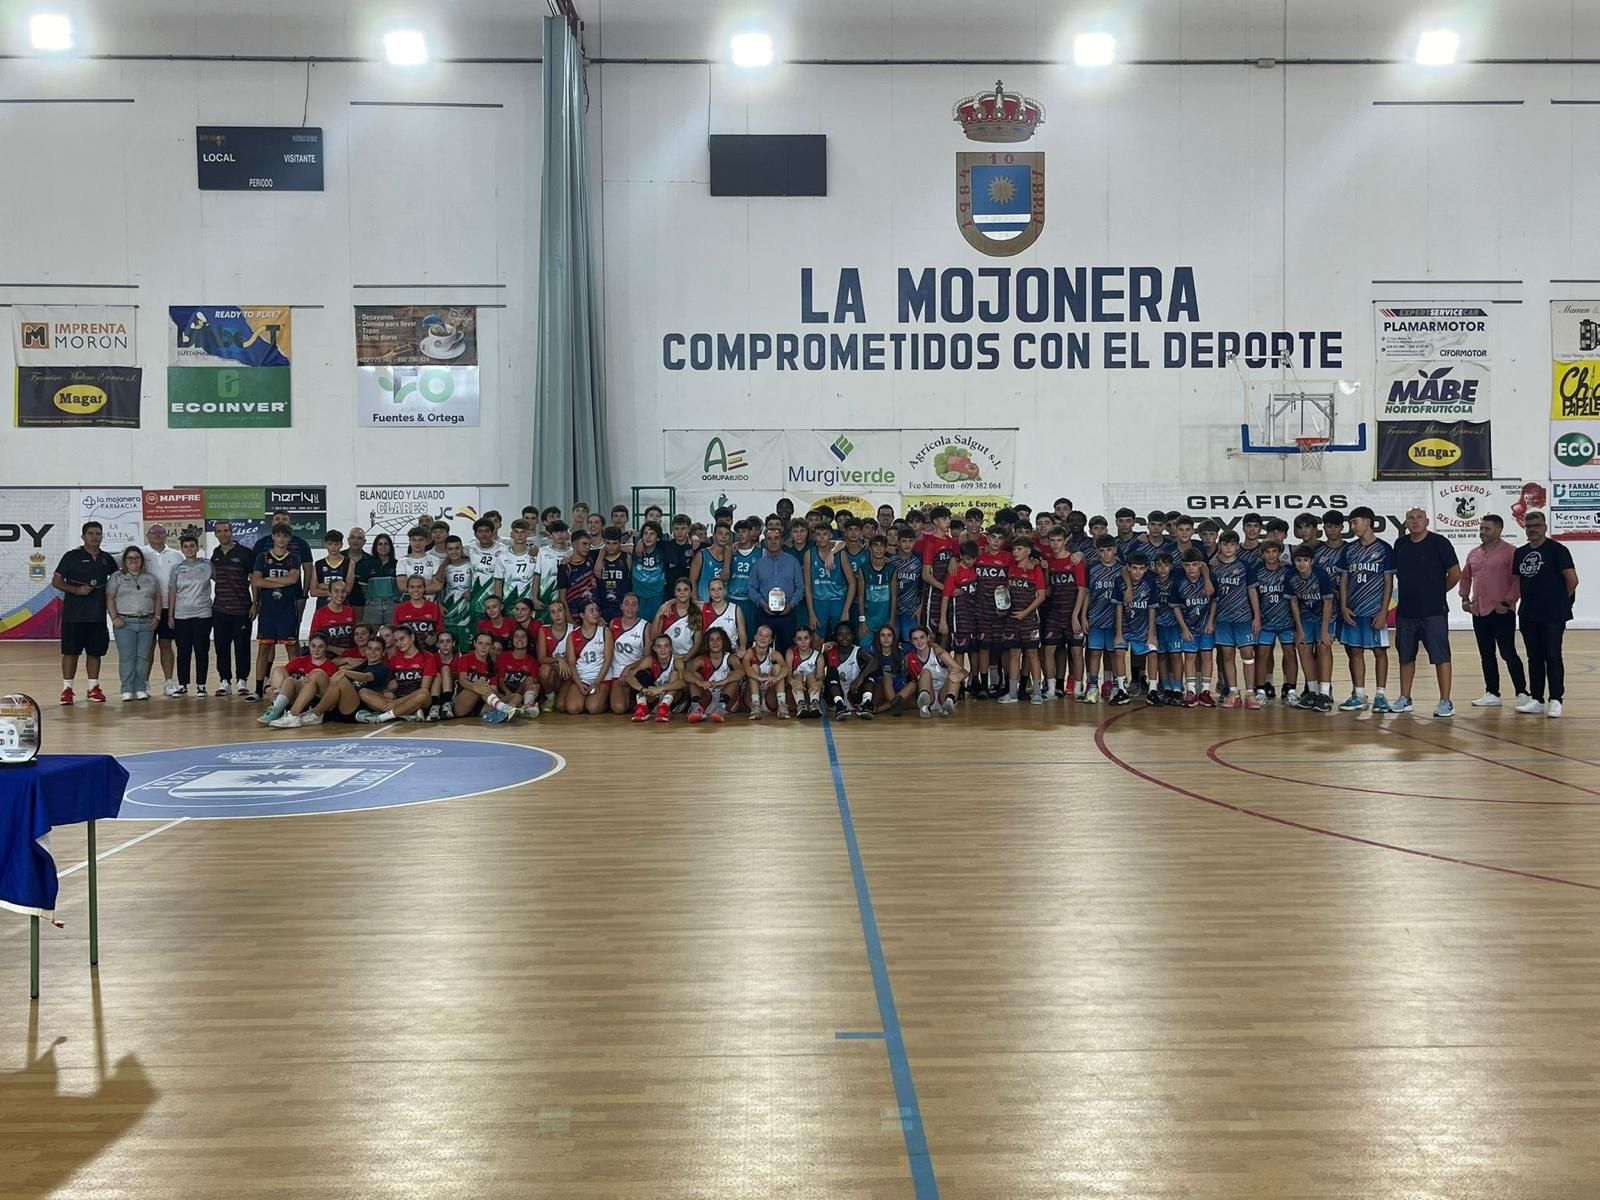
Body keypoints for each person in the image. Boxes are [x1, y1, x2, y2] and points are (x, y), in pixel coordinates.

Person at [1390, 507, 1461, 717]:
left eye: (1419, 517)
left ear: (1427, 521)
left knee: (1441, 657)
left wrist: (1437, 592)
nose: (1415, 521)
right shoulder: (1400, 544)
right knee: (1405, 657)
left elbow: (1456, 574)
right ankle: (1405, 698)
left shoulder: (1439, 543)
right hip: (1406, 612)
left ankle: (1446, 701)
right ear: (1406, 523)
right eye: (1410, 518)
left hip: (1434, 612)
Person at [1458, 513, 1530, 709]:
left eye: (1487, 529)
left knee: (1508, 653)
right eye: (1481, 528)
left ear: (1499, 530)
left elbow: (1517, 581)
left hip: (1501, 612)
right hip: (1479, 612)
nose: (1482, 532)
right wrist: (1465, 598)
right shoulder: (1474, 553)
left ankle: (1522, 692)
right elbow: (1465, 577)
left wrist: (1506, 603)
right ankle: (1492, 692)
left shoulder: (1511, 553)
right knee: (1486, 654)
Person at [1512, 511, 1578, 718]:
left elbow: (1572, 580)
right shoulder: (1520, 553)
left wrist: (1559, 600)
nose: (1532, 529)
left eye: (1537, 525)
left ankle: (1556, 699)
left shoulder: (1558, 550)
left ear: (1545, 527)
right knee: (1534, 657)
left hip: (1553, 614)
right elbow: (1518, 583)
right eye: (1529, 526)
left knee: (1552, 655)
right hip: (1529, 613)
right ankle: (1537, 699)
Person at [1337, 506, 1395, 713]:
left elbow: (1388, 582)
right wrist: (1343, 606)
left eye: (1355, 522)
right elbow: (1344, 579)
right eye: (1351, 523)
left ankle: (1381, 695)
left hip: (1374, 611)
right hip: (1353, 611)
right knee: (1355, 652)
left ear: (1368, 522)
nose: (1352, 527)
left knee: (1380, 652)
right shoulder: (1349, 549)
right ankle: (1359, 694)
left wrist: (1383, 611)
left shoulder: (1384, 549)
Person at [53, 520, 116, 704]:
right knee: (71, 653)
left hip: (97, 616)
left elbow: (117, 580)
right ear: (83, 536)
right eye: (91, 533)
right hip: (74, 616)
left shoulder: (107, 559)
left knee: (95, 653)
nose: (95, 537)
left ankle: (93, 688)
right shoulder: (71, 557)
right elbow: (56, 582)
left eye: (98, 534)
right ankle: (67, 690)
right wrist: (76, 590)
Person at [250, 523, 306, 702]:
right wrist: (282, 581)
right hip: (268, 610)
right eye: (278, 535)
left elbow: (294, 579)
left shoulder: (294, 558)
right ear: (273, 537)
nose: (281, 539)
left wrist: (268, 579)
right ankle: (259, 689)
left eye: (285, 536)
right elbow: (256, 582)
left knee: (292, 649)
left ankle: (296, 686)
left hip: (287, 610)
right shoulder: (262, 557)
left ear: (289, 538)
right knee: (264, 649)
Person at [1210, 530, 1260, 709]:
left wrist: (1257, 617)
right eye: (1225, 544)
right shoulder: (1214, 567)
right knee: (1227, 655)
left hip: (1243, 618)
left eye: (1232, 544)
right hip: (1223, 619)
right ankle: (1232, 691)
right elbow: (1213, 597)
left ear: (1237, 546)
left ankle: (1250, 693)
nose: (1228, 547)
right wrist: (1211, 620)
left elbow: (1252, 591)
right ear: (1220, 546)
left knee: (1248, 654)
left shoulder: (1245, 566)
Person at [105, 546, 161, 702]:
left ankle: (141, 687)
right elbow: (110, 598)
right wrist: (114, 617)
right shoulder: (117, 577)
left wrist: (157, 617)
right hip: (125, 623)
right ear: (124, 561)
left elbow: (157, 598)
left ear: (142, 561)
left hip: (146, 622)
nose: (133, 561)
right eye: (130, 558)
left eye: (137, 557)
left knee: (143, 657)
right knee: (127, 657)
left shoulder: (150, 578)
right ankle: (127, 688)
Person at [355, 624, 438, 724]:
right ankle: (405, 714)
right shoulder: (395, 659)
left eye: (402, 639)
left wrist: (398, 702)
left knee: (424, 693)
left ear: (412, 637)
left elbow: (424, 688)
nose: (399, 643)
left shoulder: (427, 657)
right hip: (396, 700)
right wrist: (387, 691)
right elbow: (387, 684)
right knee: (363, 692)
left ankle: (382, 717)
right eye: (396, 640)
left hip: (416, 700)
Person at [209, 519, 254, 698]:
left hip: (242, 609)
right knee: (221, 647)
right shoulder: (216, 554)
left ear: (232, 531)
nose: (223, 534)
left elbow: (255, 581)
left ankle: (242, 681)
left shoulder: (245, 553)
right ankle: (224, 681)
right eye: (219, 531)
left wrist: (255, 604)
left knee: (242, 647)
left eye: (226, 530)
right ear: (215, 534)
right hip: (220, 610)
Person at [1288, 544, 1336, 711]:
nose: (1301, 564)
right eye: (1298, 560)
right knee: (1303, 648)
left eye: (1305, 560)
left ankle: (1324, 694)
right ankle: (1312, 692)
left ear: (1312, 561)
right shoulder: (1291, 576)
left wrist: (1324, 630)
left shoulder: (1321, 576)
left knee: (1323, 648)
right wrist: (1299, 629)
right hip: (1306, 617)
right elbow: (1293, 602)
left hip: (1325, 616)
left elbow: (1328, 602)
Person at [168, 533, 214, 696]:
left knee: (202, 650)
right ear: (181, 549)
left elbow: (221, 581)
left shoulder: (208, 565)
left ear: (197, 547)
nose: (189, 549)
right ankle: (183, 684)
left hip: (203, 613)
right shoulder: (177, 568)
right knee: (183, 651)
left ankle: (201, 685)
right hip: (181, 615)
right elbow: (172, 591)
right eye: (185, 547)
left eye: (192, 546)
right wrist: (171, 615)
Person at [1252, 541, 1297, 707]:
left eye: (1274, 551)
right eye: (1267, 552)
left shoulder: (1288, 571)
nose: (1271, 555)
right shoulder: (1256, 572)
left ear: (1280, 553)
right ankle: (1261, 689)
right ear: (1262, 554)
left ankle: (1291, 689)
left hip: (1286, 621)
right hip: (1266, 622)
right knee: (1262, 655)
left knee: (1290, 654)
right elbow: (1253, 596)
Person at [142, 524, 185, 696]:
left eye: (161, 532)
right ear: (148, 535)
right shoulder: (141, 553)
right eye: (154, 532)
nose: (158, 535)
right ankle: (144, 684)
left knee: (166, 644)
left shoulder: (176, 555)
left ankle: (168, 683)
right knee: (148, 647)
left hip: (169, 608)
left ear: (166, 535)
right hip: (147, 609)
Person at [260, 634, 340, 726]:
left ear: (326, 648)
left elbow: (331, 692)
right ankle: (277, 708)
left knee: (306, 678)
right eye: (313, 646)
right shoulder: (300, 661)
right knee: (280, 671)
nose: (316, 650)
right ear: (309, 646)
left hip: (314, 700)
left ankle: (281, 710)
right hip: (293, 697)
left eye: (320, 647)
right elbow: (277, 676)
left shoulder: (331, 666)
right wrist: (267, 689)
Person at [747, 524, 804, 651]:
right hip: (765, 613)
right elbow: (751, 587)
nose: (773, 541)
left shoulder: (793, 562)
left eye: (776, 538)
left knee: (788, 649)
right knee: (762, 650)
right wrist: (762, 604)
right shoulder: (759, 564)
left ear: (782, 541)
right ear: (765, 541)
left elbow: (800, 587)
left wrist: (792, 604)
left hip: (788, 613)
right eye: (770, 538)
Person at [1082, 535, 1125, 705]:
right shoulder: (1092, 568)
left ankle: (1116, 685)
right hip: (1096, 618)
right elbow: (1086, 593)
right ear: (1097, 551)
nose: (1106, 554)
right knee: (1095, 653)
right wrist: (1084, 615)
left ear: (1114, 549)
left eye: (1109, 550)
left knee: (1115, 654)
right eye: (1102, 551)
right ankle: (1093, 686)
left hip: (1116, 620)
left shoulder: (1123, 569)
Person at [1174, 548, 1215, 707]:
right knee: (1189, 657)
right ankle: (1191, 691)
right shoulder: (1179, 582)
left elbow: (1214, 602)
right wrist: (1184, 628)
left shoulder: (1210, 579)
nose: (1191, 568)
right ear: (1183, 566)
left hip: (1205, 626)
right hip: (1189, 627)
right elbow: (1176, 606)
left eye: (1194, 564)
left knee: (1207, 656)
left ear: (1200, 564)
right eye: (1187, 565)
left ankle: (1205, 691)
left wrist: (1211, 621)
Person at [562, 599, 613, 715]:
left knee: (593, 708)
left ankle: (605, 701)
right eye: (591, 611)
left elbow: (608, 660)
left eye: (597, 610)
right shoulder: (573, 635)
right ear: (582, 615)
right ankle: (587, 699)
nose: (596, 613)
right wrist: (579, 684)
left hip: (601, 678)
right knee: (573, 709)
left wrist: (597, 682)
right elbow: (571, 663)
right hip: (582, 677)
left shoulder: (605, 632)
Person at [804, 520, 854, 638]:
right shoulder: (809, 555)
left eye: (825, 534)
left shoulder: (840, 554)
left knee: (841, 637)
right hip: (819, 601)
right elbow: (807, 585)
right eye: (818, 534)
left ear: (831, 535)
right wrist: (811, 613)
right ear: (814, 536)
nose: (821, 538)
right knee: (817, 638)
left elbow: (852, 582)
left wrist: (846, 609)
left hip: (838, 600)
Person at [622, 634, 686, 722]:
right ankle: (642, 706)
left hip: (674, 702)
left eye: (666, 646)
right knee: (641, 674)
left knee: (674, 674)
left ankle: (664, 707)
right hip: (655, 698)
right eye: (659, 646)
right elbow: (629, 677)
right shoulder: (649, 660)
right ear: (654, 648)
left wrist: (660, 689)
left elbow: (683, 683)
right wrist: (642, 689)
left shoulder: (677, 661)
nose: (663, 650)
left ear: (671, 648)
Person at [906, 625, 966, 718]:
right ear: (911, 641)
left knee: (954, 671)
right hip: (929, 695)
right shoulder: (909, 657)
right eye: (915, 639)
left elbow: (962, 670)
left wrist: (960, 676)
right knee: (925, 671)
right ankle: (924, 706)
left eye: (922, 637)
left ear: (928, 638)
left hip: (944, 694)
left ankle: (949, 702)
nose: (919, 642)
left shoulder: (939, 653)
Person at [605, 594, 650, 714]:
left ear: (639, 608)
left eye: (634, 604)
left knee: (621, 706)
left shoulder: (645, 626)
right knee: (619, 708)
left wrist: (630, 668)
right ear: (621, 606)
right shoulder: (613, 623)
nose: (630, 608)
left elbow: (648, 657)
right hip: (616, 672)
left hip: (634, 671)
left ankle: (637, 698)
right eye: (626, 603)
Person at [825, 621, 879, 718]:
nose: (844, 637)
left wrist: (860, 679)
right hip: (834, 696)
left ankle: (866, 703)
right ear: (836, 637)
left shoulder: (858, 651)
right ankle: (840, 705)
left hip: (853, 693)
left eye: (848, 634)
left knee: (868, 672)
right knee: (831, 670)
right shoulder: (829, 652)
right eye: (840, 635)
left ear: (853, 636)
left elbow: (875, 662)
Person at [687, 625, 741, 723]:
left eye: (718, 639)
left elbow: (742, 672)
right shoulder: (700, 659)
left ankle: (721, 708)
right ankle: (696, 707)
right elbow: (685, 674)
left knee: (734, 675)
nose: (715, 642)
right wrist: (699, 682)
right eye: (712, 640)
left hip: (727, 700)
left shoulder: (731, 658)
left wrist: (724, 681)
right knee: (694, 676)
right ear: (707, 643)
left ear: (723, 641)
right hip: (707, 698)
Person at [740, 623, 789, 719]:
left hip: (769, 696)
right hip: (751, 697)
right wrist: (760, 679)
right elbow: (746, 669)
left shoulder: (774, 654)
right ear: (755, 637)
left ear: (770, 640)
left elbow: (786, 668)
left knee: (778, 668)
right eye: (760, 635)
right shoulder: (749, 653)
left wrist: (775, 678)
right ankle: (755, 705)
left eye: (767, 636)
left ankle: (781, 704)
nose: (763, 638)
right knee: (754, 667)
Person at [535, 597, 573, 711]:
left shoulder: (574, 629)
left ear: (565, 612)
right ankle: (550, 698)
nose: (557, 615)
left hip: (568, 674)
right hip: (553, 673)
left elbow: (577, 657)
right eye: (553, 612)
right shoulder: (544, 630)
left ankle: (561, 698)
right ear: (550, 615)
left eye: (560, 610)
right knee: (544, 670)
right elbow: (541, 658)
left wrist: (565, 661)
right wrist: (559, 660)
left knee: (561, 706)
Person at [393, 573, 444, 650]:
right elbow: (395, 633)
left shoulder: (434, 607)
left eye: (419, 587)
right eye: (412, 587)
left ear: (424, 588)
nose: (416, 590)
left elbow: (440, 630)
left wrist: (435, 638)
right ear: (408, 589)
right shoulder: (400, 608)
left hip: (429, 652)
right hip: (406, 653)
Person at [785, 626, 826, 718]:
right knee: (797, 676)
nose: (803, 642)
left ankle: (814, 703)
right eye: (799, 639)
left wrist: (818, 684)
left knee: (811, 676)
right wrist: (792, 682)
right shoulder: (790, 653)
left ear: (811, 639)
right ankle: (801, 704)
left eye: (806, 638)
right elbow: (787, 676)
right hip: (794, 693)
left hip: (811, 691)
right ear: (795, 640)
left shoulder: (818, 656)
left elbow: (821, 678)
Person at [631, 521, 667, 622]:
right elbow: (613, 547)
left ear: (658, 537)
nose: (648, 536)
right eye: (645, 533)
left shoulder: (663, 551)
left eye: (652, 534)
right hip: (638, 597)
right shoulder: (633, 549)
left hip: (657, 597)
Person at [594, 527, 632, 621]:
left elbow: (633, 547)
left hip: (621, 606)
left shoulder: (626, 557)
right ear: (603, 541)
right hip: (603, 606)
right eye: (608, 543)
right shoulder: (596, 557)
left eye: (614, 543)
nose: (611, 547)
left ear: (620, 542)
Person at [311, 530, 353, 608]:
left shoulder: (349, 563)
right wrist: (338, 590)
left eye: (336, 544)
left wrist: (323, 586)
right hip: (323, 607)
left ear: (341, 545)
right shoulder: (318, 564)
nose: (333, 547)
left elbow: (348, 589)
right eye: (330, 544)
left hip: (342, 607)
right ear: (325, 545)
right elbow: (313, 592)